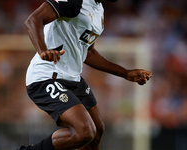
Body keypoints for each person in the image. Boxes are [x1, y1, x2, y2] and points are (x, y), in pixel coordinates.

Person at [19, 0, 152, 149]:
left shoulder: (98, 10)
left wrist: (125, 73)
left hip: (73, 79)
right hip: (46, 76)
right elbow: (33, 20)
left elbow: (88, 52)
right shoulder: (76, 1)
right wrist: (42, 50)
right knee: (85, 131)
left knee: (97, 130)